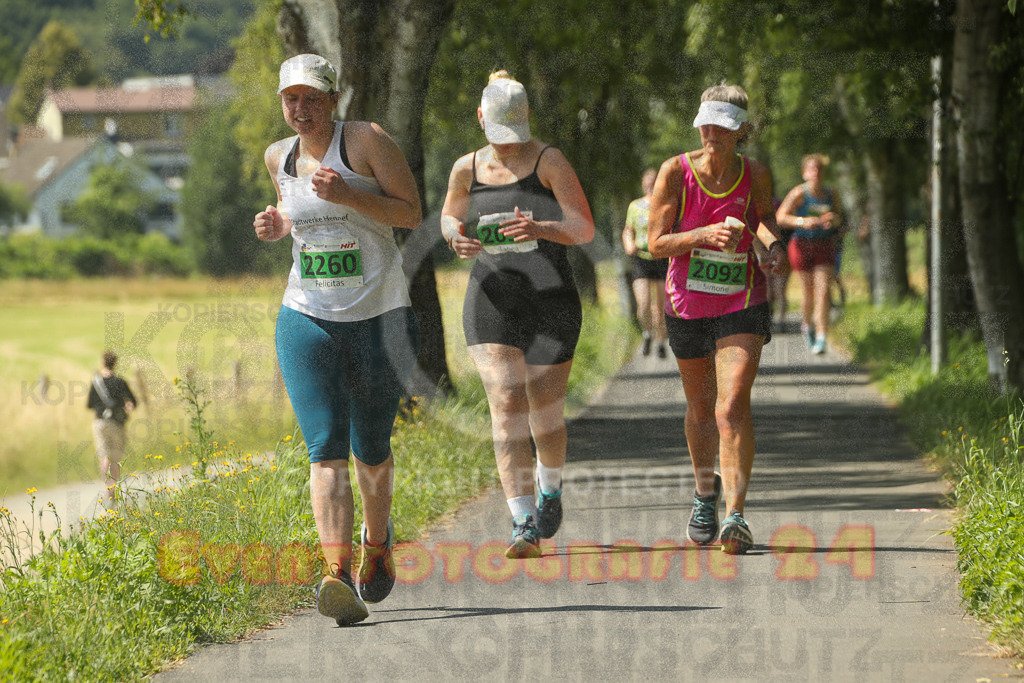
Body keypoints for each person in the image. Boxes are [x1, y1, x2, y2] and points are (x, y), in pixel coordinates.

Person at [253, 54, 422, 626]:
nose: (300, 109)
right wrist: (277, 225)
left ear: (332, 98)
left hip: (379, 316)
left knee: (369, 446)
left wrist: (350, 195)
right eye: (290, 99)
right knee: (324, 448)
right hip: (306, 316)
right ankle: (336, 574)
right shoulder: (279, 156)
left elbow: (411, 214)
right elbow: (295, 215)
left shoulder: (366, 140)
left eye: (311, 98)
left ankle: (377, 542)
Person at [440, 70, 595, 559]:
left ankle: (550, 488)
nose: (507, 145)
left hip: (550, 301)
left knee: (545, 414)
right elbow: (449, 214)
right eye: (498, 134)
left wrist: (540, 227)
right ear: (480, 118)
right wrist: (454, 236)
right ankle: (523, 522)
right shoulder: (465, 167)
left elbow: (584, 228)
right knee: (507, 402)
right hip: (493, 298)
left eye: (515, 135)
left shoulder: (549, 161)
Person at [647, 84, 788, 555]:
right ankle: (705, 493)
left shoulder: (755, 173)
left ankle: (735, 516)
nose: (712, 135)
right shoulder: (675, 172)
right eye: (706, 125)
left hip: (741, 299)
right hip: (687, 301)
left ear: (741, 130)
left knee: (731, 407)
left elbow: (764, 218)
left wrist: (772, 246)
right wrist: (703, 235)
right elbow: (655, 243)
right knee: (701, 408)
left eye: (723, 127)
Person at [775, 154, 843, 355]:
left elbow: (839, 217)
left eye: (819, 169)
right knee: (809, 293)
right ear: (805, 173)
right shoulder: (799, 193)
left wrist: (833, 220)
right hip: (801, 245)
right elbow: (780, 217)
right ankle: (807, 325)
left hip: (824, 245)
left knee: (824, 290)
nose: (816, 172)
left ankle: (821, 336)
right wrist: (803, 222)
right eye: (812, 169)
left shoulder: (831, 193)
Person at [622, 168, 669, 358]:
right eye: (647, 184)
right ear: (643, 185)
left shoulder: (665, 204)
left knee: (659, 308)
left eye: (653, 183)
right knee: (643, 304)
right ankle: (647, 333)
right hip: (641, 259)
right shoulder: (635, 206)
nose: (650, 187)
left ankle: (661, 342)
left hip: (660, 258)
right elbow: (628, 229)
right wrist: (629, 244)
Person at [86, 351, 136, 508]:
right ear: (115, 363)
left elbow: (89, 404)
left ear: (103, 363)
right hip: (116, 424)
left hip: (100, 424)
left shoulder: (96, 382)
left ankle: (107, 489)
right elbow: (133, 402)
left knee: (104, 456)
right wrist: (124, 405)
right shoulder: (120, 382)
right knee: (115, 457)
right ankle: (113, 490)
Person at [765, 195, 792, 332]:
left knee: (780, 290)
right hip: (765, 257)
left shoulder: (784, 218)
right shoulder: (760, 218)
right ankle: (769, 318)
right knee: (768, 291)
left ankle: (781, 320)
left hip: (783, 256)